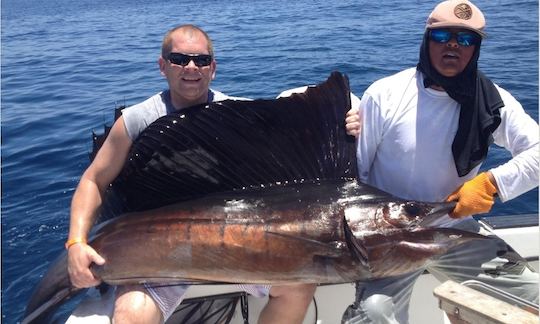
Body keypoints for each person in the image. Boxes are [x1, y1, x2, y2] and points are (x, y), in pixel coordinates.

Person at [66, 24, 316, 324]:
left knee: (299, 284)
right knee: (132, 314)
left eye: (201, 60)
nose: (191, 67)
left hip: (232, 243)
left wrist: (351, 123)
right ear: (163, 66)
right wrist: (76, 242)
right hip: (157, 252)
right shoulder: (137, 120)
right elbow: (93, 181)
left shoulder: (238, 114)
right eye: (179, 59)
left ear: (214, 68)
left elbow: (297, 136)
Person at [343, 0, 539, 322]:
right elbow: (356, 177)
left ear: (475, 48)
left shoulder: (492, 100)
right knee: (373, 314)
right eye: (442, 36)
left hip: (452, 228)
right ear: (426, 39)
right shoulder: (386, 94)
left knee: (534, 296)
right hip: (391, 235)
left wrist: (492, 183)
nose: (452, 46)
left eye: (465, 39)